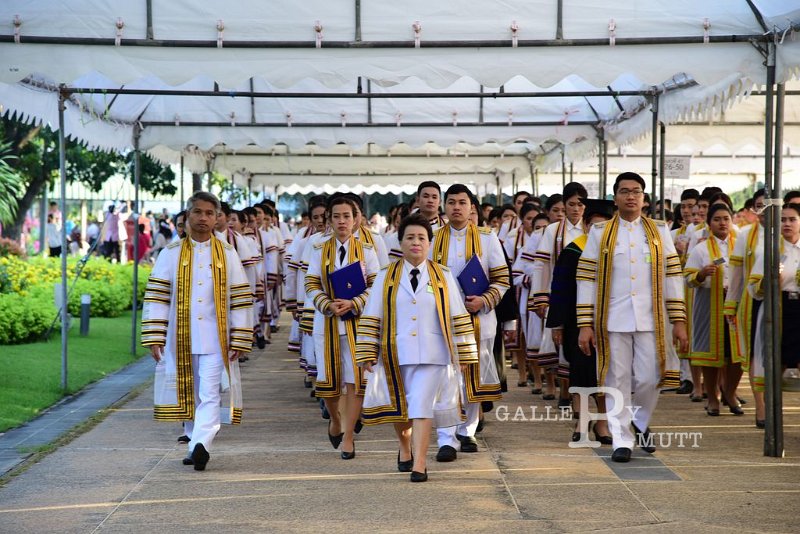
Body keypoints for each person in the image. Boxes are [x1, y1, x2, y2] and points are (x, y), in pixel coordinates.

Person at [356, 213, 479, 482]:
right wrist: (367, 352)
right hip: (395, 353)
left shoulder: (442, 275)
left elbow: (458, 315)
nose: (416, 243)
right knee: (401, 410)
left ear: (429, 243)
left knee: (422, 407)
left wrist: (464, 353)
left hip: (434, 354)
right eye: (410, 237)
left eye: (421, 238)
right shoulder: (386, 276)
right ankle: (405, 448)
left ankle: (420, 463)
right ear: (400, 243)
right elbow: (372, 314)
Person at [577, 172, 688, 463]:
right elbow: (586, 277)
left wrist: (678, 320)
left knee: (650, 376)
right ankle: (621, 439)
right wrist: (585, 323)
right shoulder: (600, 232)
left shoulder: (659, 231)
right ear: (615, 198)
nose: (630, 196)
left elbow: (673, 275)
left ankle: (639, 420)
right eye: (624, 191)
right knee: (617, 378)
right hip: (612, 317)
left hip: (651, 318)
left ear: (644, 198)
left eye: (636, 191)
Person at [141, 191, 253, 471]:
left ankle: (202, 444)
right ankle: (193, 440)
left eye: (209, 213)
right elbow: (157, 297)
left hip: (216, 337)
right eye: (198, 212)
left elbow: (240, 298)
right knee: (188, 390)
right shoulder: (170, 253)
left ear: (217, 218)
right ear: (188, 215)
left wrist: (239, 336)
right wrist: (155, 335)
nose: (203, 218)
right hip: (179, 336)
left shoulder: (227, 254)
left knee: (210, 390)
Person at [430, 184, 509, 460]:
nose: (456, 207)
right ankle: (446, 436)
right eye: (451, 202)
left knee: (473, 378)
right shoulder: (433, 238)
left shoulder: (488, 238)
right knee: (445, 377)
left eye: (462, 202)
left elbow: (502, 279)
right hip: (442, 320)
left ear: (471, 207)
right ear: (445, 206)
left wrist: (484, 300)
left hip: (479, 316)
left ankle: (468, 430)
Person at [305, 196, 380, 460]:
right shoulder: (318, 249)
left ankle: (348, 437)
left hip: (357, 323)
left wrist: (354, 302)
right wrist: (327, 304)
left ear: (356, 219)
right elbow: (311, 282)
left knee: (356, 381)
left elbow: (376, 285)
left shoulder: (367, 249)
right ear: (329, 220)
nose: (342, 221)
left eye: (347, 216)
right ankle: (336, 420)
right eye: (336, 216)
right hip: (327, 321)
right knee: (329, 382)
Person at [547, 199, 615, 444]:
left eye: (605, 226)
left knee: (606, 373)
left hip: (611, 321)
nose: (600, 231)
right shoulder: (574, 250)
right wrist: (558, 324)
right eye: (595, 226)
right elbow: (560, 290)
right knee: (580, 371)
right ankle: (582, 420)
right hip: (577, 322)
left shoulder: (618, 250)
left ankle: (603, 423)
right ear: (586, 226)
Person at [530, 182, 587, 405]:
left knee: (578, 344)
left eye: (580, 204)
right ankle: (564, 390)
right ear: (564, 205)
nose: (576, 209)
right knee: (560, 342)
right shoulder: (552, 231)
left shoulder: (591, 228)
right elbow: (542, 265)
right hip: (561, 293)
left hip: (585, 293)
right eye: (571, 204)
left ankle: (575, 394)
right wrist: (540, 296)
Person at [684, 204, 743, 416]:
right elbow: (687, 278)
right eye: (717, 219)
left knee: (737, 352)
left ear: (732, 221)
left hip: (736, 303)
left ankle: (730, 392)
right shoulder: (700, 249)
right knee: (710, 353)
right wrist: (701, 274)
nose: (722, 223)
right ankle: (712, 398)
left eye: (726, 218)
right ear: (709, 223)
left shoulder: (740, 245)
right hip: (709, 303)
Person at [748, 202, 800, 427]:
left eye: (792, 219)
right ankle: (770, 412)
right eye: (783, 219)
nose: (787, 224)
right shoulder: (769, 250)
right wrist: (769, 281)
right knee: (776, 362)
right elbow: (753, 288)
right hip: (779, 308)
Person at [725, 189, 766, 426]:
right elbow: (737, 274)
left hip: (787, 302)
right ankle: (761, 407)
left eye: (769, 205)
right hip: (753, 301)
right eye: (759, 206)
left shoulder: (789, 232)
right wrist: (731, 305)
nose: (764, 210)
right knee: (755, 354)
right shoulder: (746, 235)